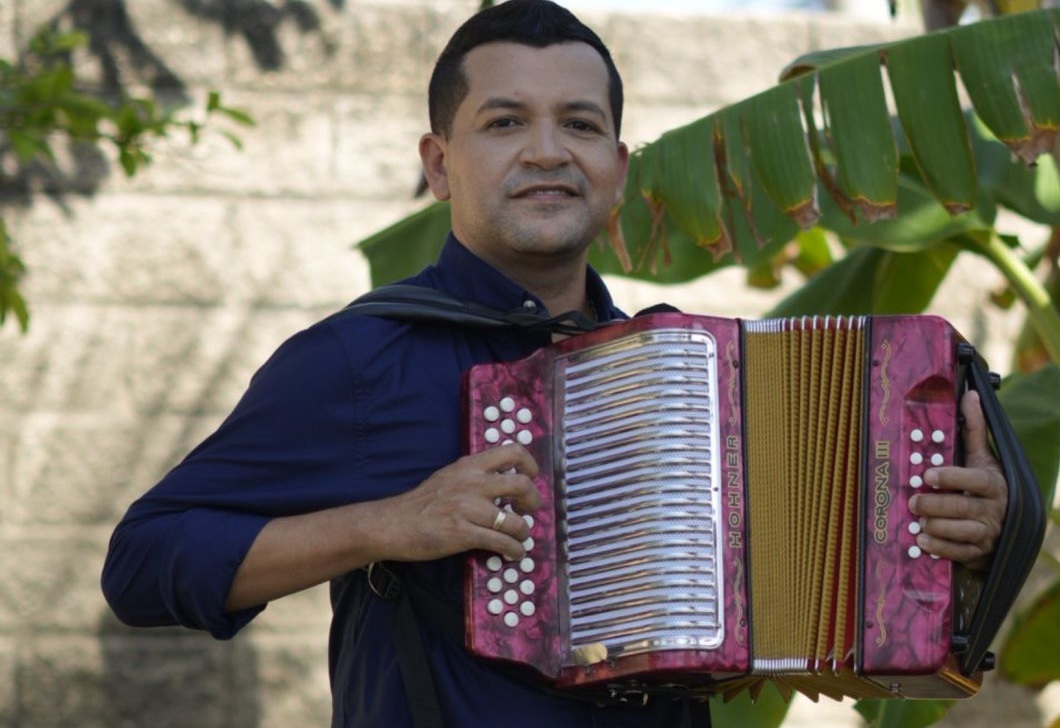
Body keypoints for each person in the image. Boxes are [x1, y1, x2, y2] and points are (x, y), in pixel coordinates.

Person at [101, 1, 1008, 726]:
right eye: (504, 122)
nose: (546, 150)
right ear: (439, 163)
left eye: (578, 124)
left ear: (616, 167)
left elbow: (854, 580)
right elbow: (143, 564)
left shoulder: (702, 376)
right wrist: (390, 523)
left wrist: (961, 534)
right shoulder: (363, 358)